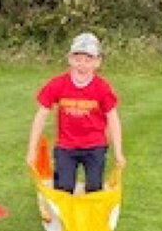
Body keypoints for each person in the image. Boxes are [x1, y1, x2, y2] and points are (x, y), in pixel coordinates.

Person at [24, 31, 125, 192]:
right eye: (77, 59)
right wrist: (31, 150)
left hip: (95, 145)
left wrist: (118, 152)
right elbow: (41, 116)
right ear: (70, 59)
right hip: (66, 146)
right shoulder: (57, 84)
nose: (82, 64)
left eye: (88, 60)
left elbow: (113, 119)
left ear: (97, 62)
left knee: (94, 187)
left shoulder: (102, 88)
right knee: (63, 188)